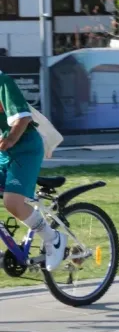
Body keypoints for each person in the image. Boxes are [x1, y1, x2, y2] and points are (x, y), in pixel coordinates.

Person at [0, 72, 68, 272]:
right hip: (4, 152)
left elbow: (23, 118)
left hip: (25, 150)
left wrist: (10, 140)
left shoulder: (2, 82)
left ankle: (53, 239)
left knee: (12, 202)